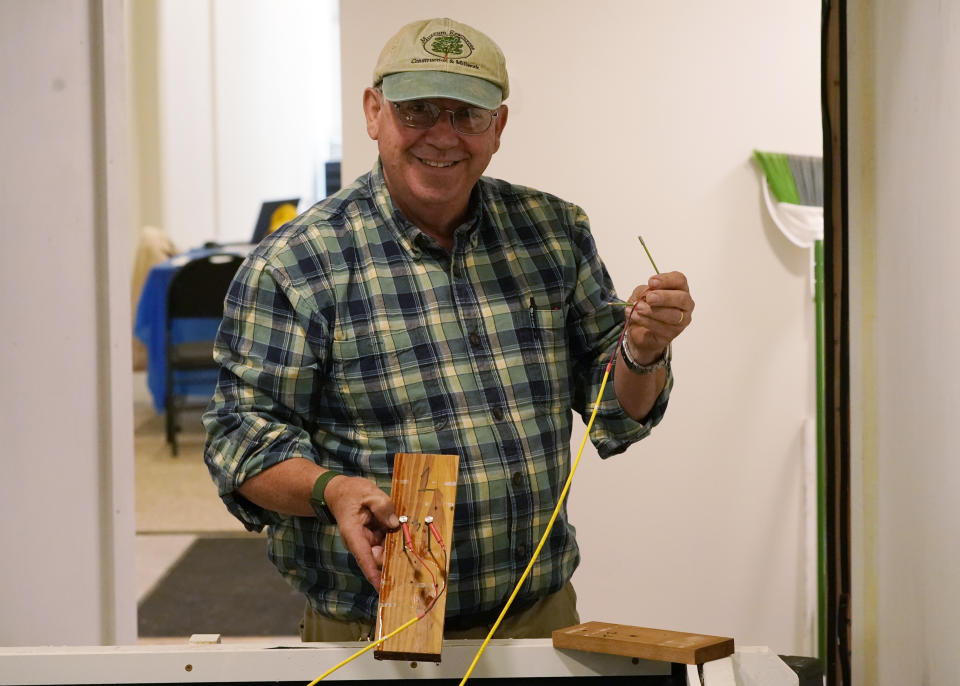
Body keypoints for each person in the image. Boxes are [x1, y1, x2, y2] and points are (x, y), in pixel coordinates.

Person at [203, 17, 694, 642]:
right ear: (373, 112)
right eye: (418, 111)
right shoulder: (297, 265)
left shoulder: (553, 233)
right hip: (376, 627)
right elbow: (240, 443)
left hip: (538, 614)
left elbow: (616, 412)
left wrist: (642, 350)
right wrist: (333, 490)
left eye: (468, 114)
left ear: (499, 127)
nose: (443, 135)